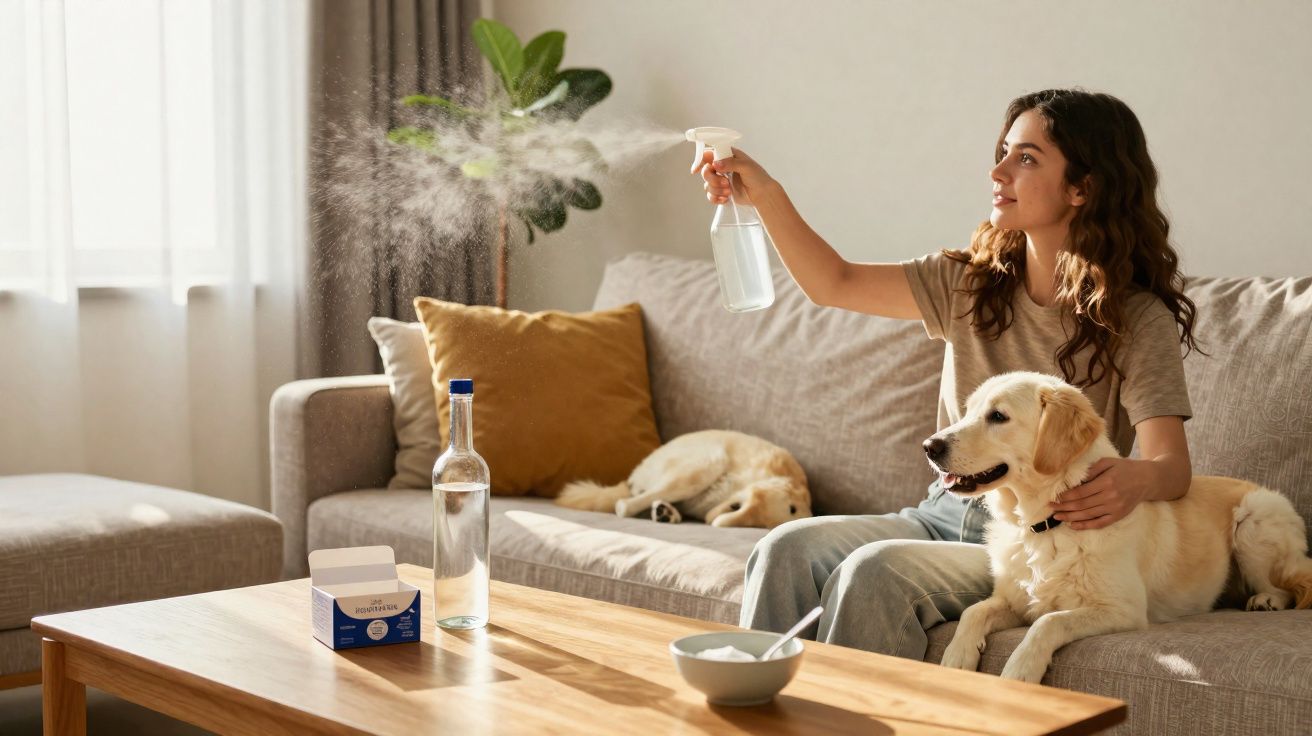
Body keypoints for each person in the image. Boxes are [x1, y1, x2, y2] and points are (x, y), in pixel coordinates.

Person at [691, 88, 1201, 659]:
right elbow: (832, 281)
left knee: (877, 572)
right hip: (942, 512)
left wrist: (1136, 479)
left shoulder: (1136, 318)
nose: (998, 170)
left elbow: (1170, 467)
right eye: (1004, 151)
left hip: (1036, 539)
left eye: (1026, 158)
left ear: (1082, 187)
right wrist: (763, 195)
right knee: (785, 548)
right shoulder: (969, 282)